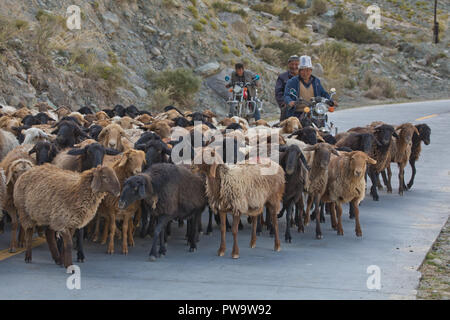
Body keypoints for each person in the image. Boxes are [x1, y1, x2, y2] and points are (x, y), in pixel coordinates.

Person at [283, 55, 336, 120]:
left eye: (308, 70)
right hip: (297, 112)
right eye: (303, 70)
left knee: (322, 122)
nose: (305, 73)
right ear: (299, 71)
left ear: (311, 71)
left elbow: (323, 93)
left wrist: (331, 100)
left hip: (314, 111)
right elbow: (286, 95)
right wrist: (290, 102)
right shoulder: (292, 82)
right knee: (295, 127)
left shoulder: (316, 81)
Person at [275, 55, 299, 121]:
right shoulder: (282, 77)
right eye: (292, 64)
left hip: (302, 105)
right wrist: (283, 103)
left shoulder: (304, 76)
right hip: (288, 106)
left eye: (296, 64)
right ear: (288, 65)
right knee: (284, 126)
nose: (294, 67)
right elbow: (278, 92)